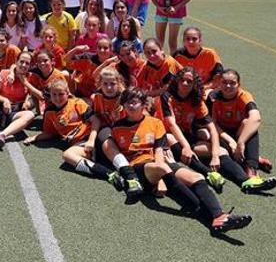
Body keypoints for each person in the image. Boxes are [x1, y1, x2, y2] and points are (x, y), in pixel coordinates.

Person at [108, 88, 254, 234]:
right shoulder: (117, 127)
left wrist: (161, 175)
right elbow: (116, 156)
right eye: (127, 103)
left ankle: (218, 217)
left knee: (197, 177)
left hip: (159, 163)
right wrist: (159, 177)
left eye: (134, 102)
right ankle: (212, 215)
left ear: (144, 104)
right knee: (164, 169)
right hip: (138, 168)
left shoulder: (155, 123)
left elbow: (159, 150)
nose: (130, 106)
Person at [157, 67, 276, 194]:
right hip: (167, 139)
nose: (185, 83)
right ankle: (209, 173)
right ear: (177, 81)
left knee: (221, 150)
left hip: (187, 136)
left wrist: (215, 156)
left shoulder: (197, 100)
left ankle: (246, 181)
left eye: (189, 81)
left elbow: (212, 127)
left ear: (195, 84)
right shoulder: (167, 96)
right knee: (171, 137)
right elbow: (171, 124)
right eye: (182, 80)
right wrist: (186, 147)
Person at [23, 80, 122, 188]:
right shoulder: (49, 112)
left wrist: (91, 141)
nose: (57, 98)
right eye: (54, 94)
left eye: (61, 94)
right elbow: (51, 133)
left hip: (94, 136)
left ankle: (130, 176)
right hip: (81, 144)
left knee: (118, 152)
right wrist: (36, 137)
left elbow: (96, 121)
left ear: (67, 93)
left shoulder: (77, 103)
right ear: (50, 96)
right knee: (67, 155)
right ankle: (108, 174)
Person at [210, 69, 275, 177]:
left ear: (239, 85)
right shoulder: (212, 97)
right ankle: (255, 158)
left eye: (232, 83)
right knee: (208, 135)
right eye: (224, 82)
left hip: (238, 132)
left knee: (248, 124)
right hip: (221, 133)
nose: (228, 86)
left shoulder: (244, 96)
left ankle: (251, 168)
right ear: (219, 84)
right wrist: (231, 141)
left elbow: (256, 118)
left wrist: (240, 142)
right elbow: (212, 125)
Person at [0, 51, 40, 148]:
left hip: (12, 112)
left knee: (30, 114)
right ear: (16, 62)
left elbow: (39, 96)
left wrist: (25, 83)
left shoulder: (31, 77)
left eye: (27, 63)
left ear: (30, 65)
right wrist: (5, 100)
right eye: (22, 61)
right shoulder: (5, 73)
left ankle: (2, 135)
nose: (24, 65)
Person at [173, 26, 223, 91]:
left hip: (205, 88)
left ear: (200, 41)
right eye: (188, 39)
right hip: (184, 88)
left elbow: (218, 79)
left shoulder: (210, 54)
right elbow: (172, 77)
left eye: (194, 39)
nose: (191, 42)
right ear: (184, 41)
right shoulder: (178, 55)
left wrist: (202, 88)